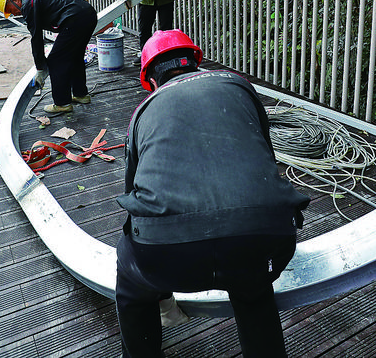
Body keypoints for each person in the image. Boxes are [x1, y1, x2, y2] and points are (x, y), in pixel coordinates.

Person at [115, 29, 309, 357]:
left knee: (132, 282)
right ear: (195, 61)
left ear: (150, 78)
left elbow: (133, 196)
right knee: (254, 291)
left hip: (165, 257)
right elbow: (264, 156)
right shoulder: (238, 86)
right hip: (265, 242)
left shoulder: (144, 110)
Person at [0, 0, 97, 114]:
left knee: (55, 61)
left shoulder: (28, 5)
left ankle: (62, 103)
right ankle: (81, 94)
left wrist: (40, 68)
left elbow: (36, 38)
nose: (14, 14)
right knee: (75, 56)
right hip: (88, 14)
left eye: (11, 10)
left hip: (74, 20)